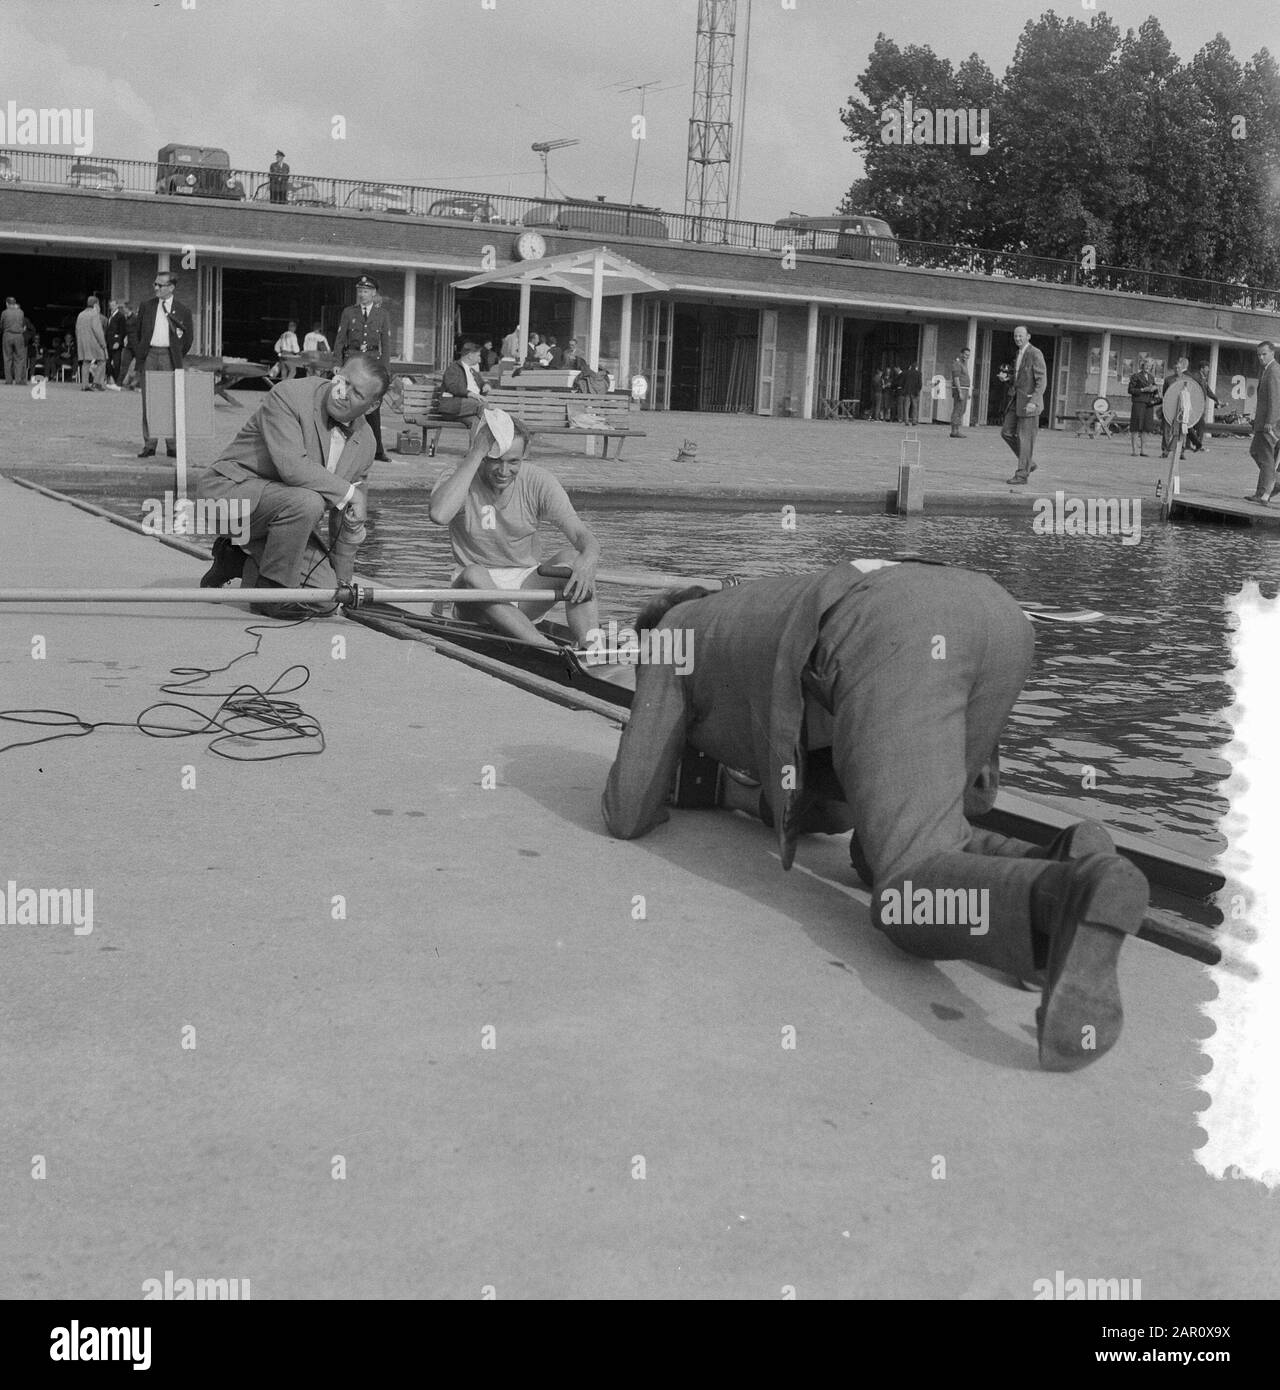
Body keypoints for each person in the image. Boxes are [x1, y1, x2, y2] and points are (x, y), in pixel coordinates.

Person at [601, 560, 1150, 1073]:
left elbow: (629, 806)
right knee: (877, 854)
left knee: (907, 889)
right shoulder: (748, 616)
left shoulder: (671, 635)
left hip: (893, 630)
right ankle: (1056, 859)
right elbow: (834, 813)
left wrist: (660, 768)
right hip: (995, 615)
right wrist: (738, 795)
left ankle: (1060, 895)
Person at [193, 353, 390, 618]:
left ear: (372, 406)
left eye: (356, 393)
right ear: (335, 372)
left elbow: (345, 523)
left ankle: (239, 561)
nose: (342, 393)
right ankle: (272, 594)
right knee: (307, 501)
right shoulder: (289, 394)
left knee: (325, 600)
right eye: (342, 381)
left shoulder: (366, 444)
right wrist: (351, 493)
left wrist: (343, 588)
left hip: (285, 525)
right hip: (228, 498)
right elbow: (293, 468)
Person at [427, 406, 601, 648]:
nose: (504, 471)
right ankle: (546, 648)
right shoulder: (460, 476)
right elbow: (439, 514)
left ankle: (592, 647)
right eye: (494, 460)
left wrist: (589, 559)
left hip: (527, 590)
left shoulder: (538, 480)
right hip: (475, 595)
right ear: (482, 455)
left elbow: (581, 535)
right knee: (473, 574)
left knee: (573, 559)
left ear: (525, 456)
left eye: (513, 462)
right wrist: (476, 452)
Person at [130, 270, 194, 457]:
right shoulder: (147, 306)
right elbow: (136, 330)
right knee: (149, 401)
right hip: (150, 354)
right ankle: (149, 444)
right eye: (155, 284)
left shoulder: (183, 310)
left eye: (160, 285)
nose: (156, 288)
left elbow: (188, 337)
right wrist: (140, 350)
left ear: (171, 287)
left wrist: (175, 354)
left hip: (169, 357)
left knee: (169, 402)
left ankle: (172, 445)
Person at [332, 274, 392, 461]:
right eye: (360, 291)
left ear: (373, 293)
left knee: (372, 407)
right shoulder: (349, 312)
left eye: (366, 291)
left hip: (372, 363)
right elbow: (340, 340)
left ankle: (377, 450)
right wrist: (337, 363)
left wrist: (385, 370)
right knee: (345, 401)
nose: (362, 294)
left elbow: (386, 344)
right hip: (352, 362)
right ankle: (340, 445)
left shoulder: (382, 315)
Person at [1001, 325, 1047, 484]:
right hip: (1016, 400)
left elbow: (1042, 381)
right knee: (1006, 432)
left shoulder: (1035, 353)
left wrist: (1034, 402)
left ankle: (1021, 475)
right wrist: (1007, 379)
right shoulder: (1018, 354)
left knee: (1025, 439)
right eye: (1015, 336)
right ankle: (1029, 463)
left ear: (1028, 336)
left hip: (1029, 403)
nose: (1017, 339)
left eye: (1021, 336)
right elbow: (1019, 378)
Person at [1245, 340, 1280, 506]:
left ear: (1272, 353)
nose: (1260, 357)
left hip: (1268, 423)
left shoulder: (1274, 371)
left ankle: (1266, 490)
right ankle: (1269, 484)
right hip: (1261, 422)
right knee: (1256, 452)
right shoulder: (1266, 371)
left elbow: (1276, 399)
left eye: (1264, 354)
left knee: (1265, 457)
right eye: (1258, 354)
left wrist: (1270, 422)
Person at [438, 340, 490, 422]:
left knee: (476, 423)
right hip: (453, 406)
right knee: (482, 404)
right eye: (478, 356)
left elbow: (482, 384)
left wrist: (485, 386)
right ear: (470, 356)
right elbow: (452, 387)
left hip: (467, 409)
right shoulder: (453, 368)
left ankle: (485, 431)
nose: (480, 360)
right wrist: (471, 394)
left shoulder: (473, 371)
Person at [1126, 356, 1159, 458]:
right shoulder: (1135, 376)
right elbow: (1130, 390)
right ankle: (1135, 450)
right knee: (1135, 426)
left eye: (1150, 365)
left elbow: (1154, 389)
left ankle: (1143, 450)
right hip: (1138, 402)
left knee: (1146, 427)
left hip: (1149, 404)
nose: (1148, 367)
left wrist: (1155, 390)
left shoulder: (1151, 377)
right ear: (1142, 365)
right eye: (1146, 365)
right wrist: (1143, 390)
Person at [75, 295, 108, 392]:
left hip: (82, 342)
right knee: (102, 360)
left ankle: (84, 385)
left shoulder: (80, 314)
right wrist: (103, 343)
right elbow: (98, 331)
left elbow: (77, 329)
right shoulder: (94, 314)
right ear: (95, 304)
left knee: (86, 362)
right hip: (94, 342)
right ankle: (96, 382)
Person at [1185, 364, 1219, 453]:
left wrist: (1216, 399)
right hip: (1195, 406)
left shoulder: (1203, 378)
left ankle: (1192, 445)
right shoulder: (1197, 377)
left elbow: (1208, 391)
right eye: (1207, 368)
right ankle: (1197, 445)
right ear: (1202, 368)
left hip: (1199, 406)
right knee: (1198, 425)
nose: (1209, 370)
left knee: (1193, 425)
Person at [2, 296, 28, 384]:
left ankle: (8, 380)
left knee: (7, 358)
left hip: (8, 335)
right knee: (19, 358)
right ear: (15, 303)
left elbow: (1, 325)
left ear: (7, 303)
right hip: (18, 336)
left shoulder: (4, 313)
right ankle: (18, 379)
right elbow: (22, 323)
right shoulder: (21, 312)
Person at [105, 299, 130, 389]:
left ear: (116, 306)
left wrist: (118, 342)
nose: (112, 306)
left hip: (116, 343)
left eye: (113, 305)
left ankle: (116, 381)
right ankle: (112, 377)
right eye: (110, 305)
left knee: (117, 363)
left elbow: (122, 331)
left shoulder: (121, 316)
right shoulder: (110, 316)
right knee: (107, 361)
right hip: (108, 343)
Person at [949, 349, 971, 437]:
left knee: (962, 410)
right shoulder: (957, 364)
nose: (967, 357)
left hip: (964, 389)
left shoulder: (964, 365)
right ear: (961, 354)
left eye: (968, 355)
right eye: (965, 354)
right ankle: (954, 431)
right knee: (957, 409)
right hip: (960, 389)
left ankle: (957, 429)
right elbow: (956, 378)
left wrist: (967, 391)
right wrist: (960, 391)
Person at [899, 360, 922, 425]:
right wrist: (918, 390)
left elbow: (902, 382)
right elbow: (920, 384)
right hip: (915, 392)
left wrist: (904, 389)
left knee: (906, 407)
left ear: (911, 367)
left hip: (907, 392)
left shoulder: (906, 373)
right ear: (916, 367)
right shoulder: (919, 373)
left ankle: (906, 421)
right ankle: (914, 421)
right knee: (915, 407)